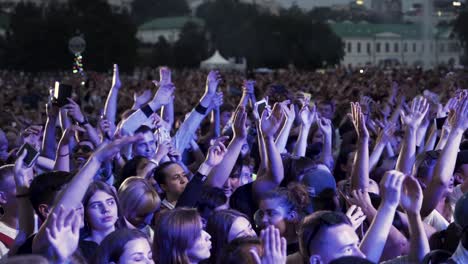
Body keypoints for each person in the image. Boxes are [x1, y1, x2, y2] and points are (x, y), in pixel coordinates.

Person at [80, 181, 127, 261]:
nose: (106, 209)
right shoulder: (79, 251)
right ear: (85, 213)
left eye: (110, 202)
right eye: (96, 205)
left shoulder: (131, 240)